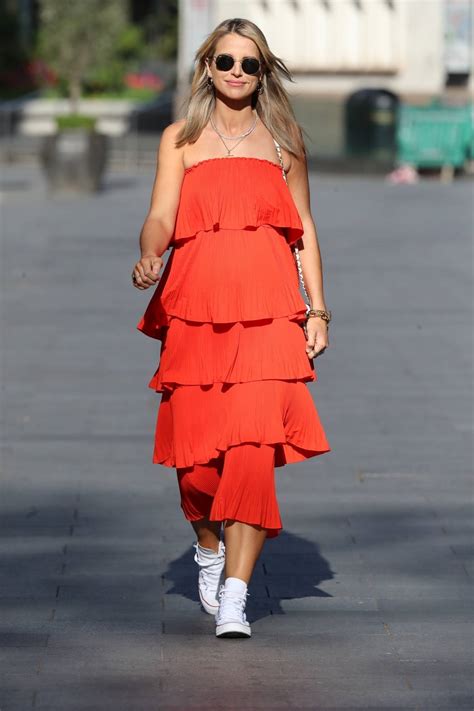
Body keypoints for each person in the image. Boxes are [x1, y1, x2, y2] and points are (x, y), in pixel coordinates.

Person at [132, 17, 331, 639]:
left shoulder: (285, 140)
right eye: (226, 62)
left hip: (270, 315)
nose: (237, 73)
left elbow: (304, 228)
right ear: (207, 68)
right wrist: (151, 251)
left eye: (249, 64)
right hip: (195, 313)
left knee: (250, 456)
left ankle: (237, 596)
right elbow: (161, 213)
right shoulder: (180, 139)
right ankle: (208, 549)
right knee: (195, 469)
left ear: (263, 71)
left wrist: (318, 310)